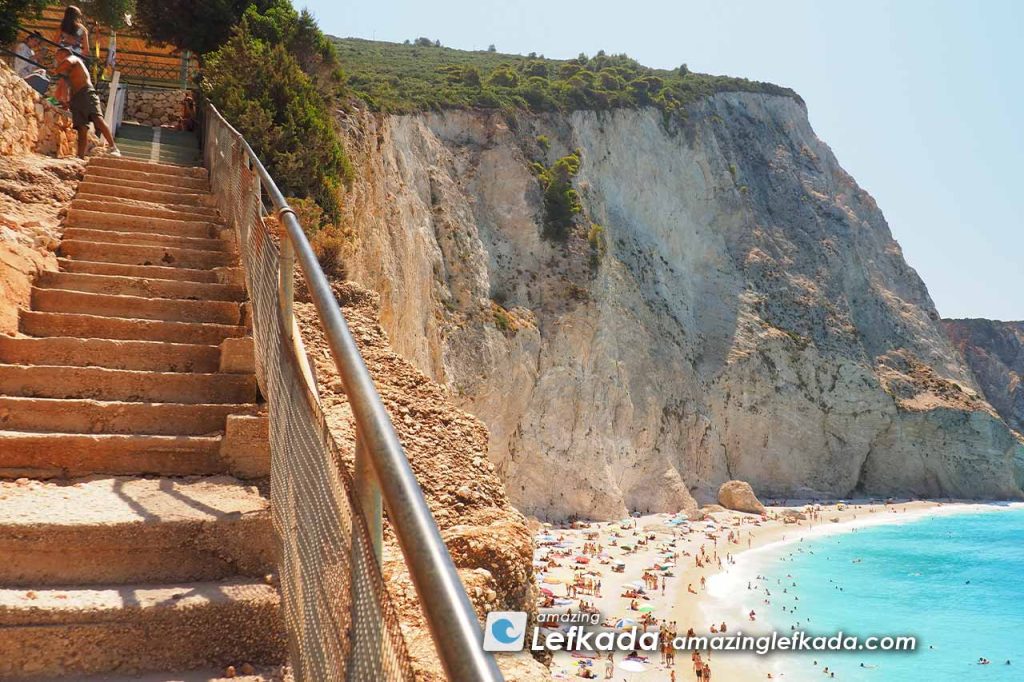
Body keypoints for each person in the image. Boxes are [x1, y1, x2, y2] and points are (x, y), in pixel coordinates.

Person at [53, 47, 119, 158]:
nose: (57, 58)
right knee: (81, 128)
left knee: (97, 119)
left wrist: (55, 69)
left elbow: (68, 62)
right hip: (76, 98)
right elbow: (66, 86)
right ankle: (80, 156)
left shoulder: (73, 58)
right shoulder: (68, 72)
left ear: (64, 53)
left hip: (86, 93)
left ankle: (113, 147)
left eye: (58, 55)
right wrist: (68, 101)